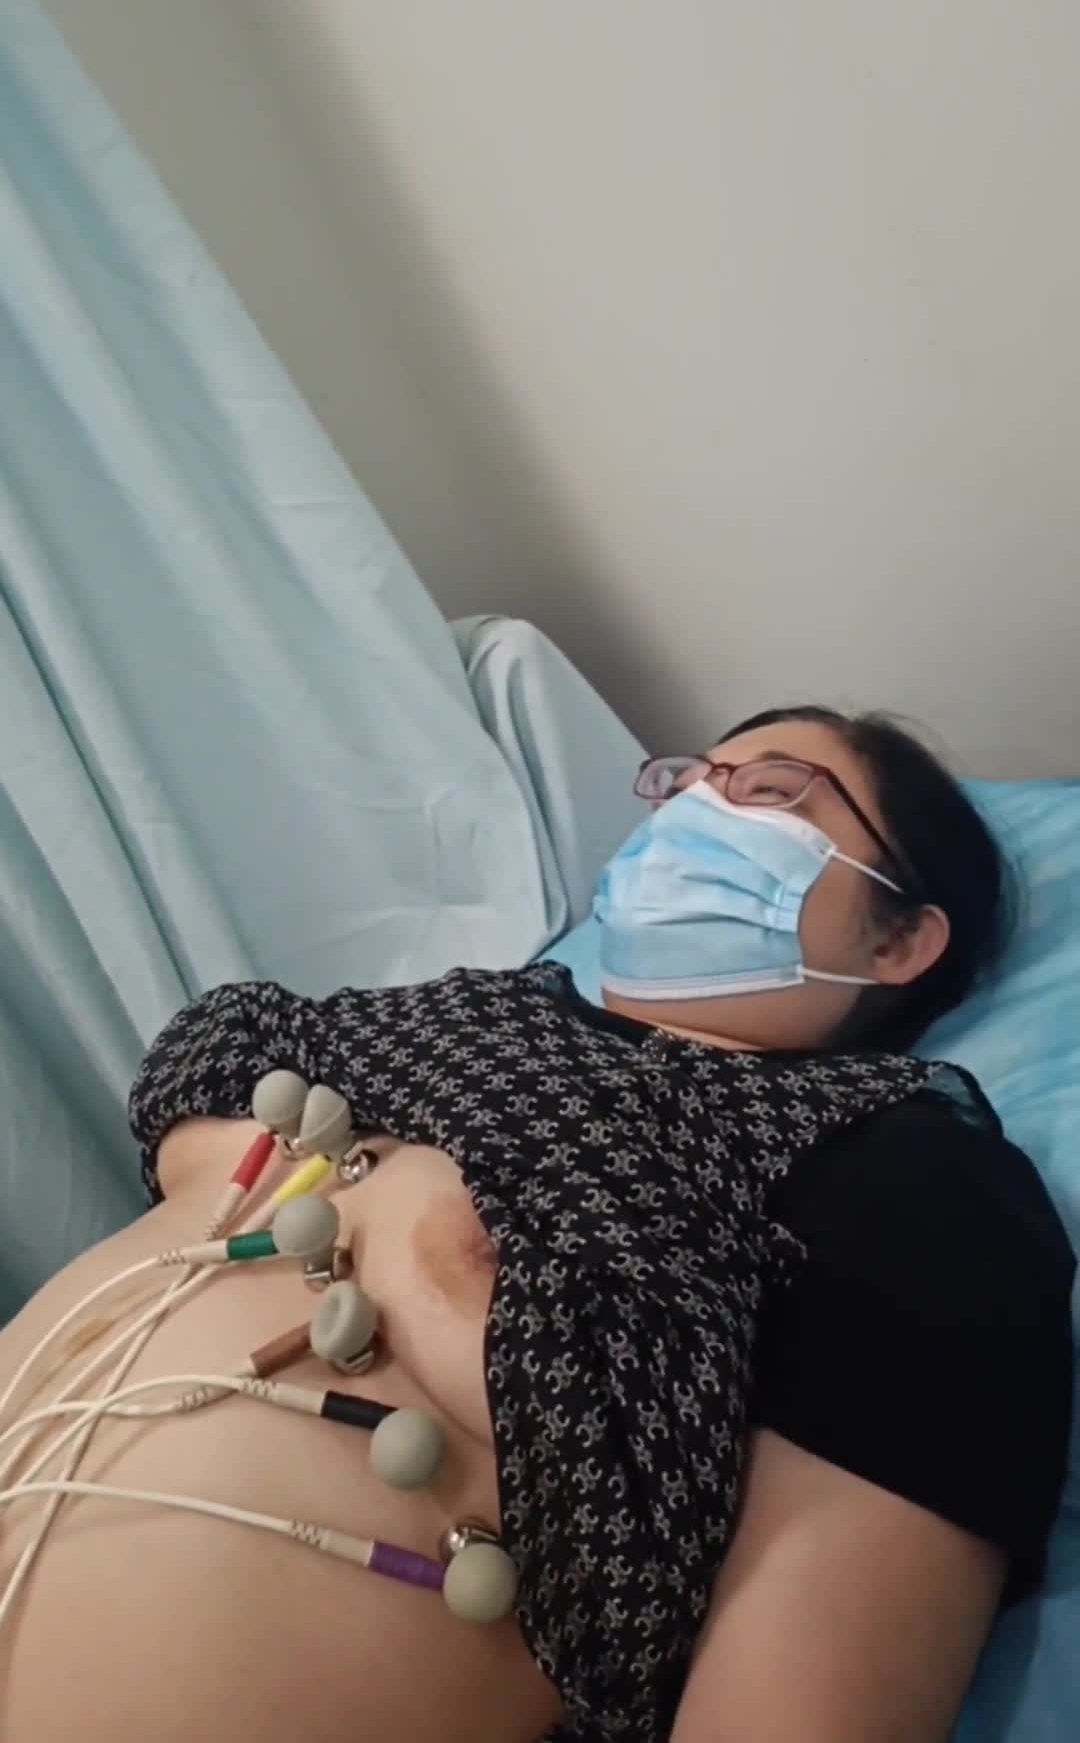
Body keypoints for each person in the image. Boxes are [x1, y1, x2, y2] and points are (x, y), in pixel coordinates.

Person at [0, 706, 1073, 1743]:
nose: (695, 808)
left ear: (902, 940)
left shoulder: (905, 1178)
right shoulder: (468, 1010)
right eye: (685, 783)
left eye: (772, 792)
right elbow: (215, 1049)